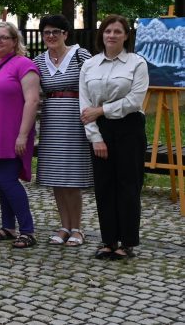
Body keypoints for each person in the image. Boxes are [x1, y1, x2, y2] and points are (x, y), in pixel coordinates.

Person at [80, 15, 148, 260]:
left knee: (128, 185)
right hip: (101, 129)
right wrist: (95, 137)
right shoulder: (90, 65)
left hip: (129, 128)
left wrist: (102, 110)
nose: (112, 35)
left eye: (117, 31)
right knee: (104, 187)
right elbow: (85, 105)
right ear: (102, 34)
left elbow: (134, 101)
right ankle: (108, 240)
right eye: (108, 31)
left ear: (126, 36)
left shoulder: (136, 64)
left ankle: (127, 242)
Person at [0, 21, 40, 249]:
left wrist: (23, 135)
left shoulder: (24, 64)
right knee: (1, 181)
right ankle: (8, 226)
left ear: (15, 41)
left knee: (8, 181)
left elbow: (32, 100)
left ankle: (27, 230)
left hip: (13, 132)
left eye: (4, 37)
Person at [34, 15, 93, 247]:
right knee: (56, 177)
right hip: (51, 121)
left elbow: (94, 85)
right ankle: (63, 225)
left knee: (73, 177)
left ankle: (77, 228)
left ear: (66, 34)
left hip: (76, 120)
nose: (51, 36)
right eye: (46, 32)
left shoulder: (81, 55)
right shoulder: (39, 61)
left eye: (56, 32)